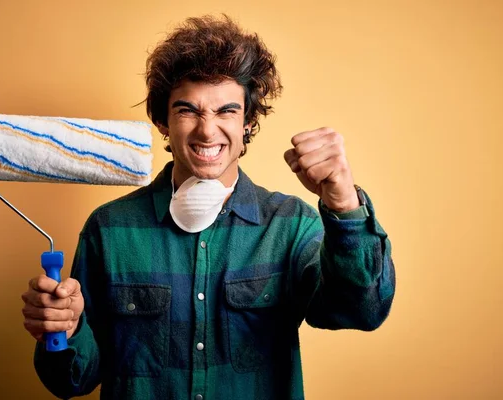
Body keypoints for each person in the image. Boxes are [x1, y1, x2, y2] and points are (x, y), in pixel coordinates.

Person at [21, 14, 395, 400]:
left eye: (226, 111)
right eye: (188, 110)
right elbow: (71, 381)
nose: (207, 130)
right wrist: (65, 329)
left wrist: (343, 202)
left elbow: (362, 311)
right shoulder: (109, 228)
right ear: (163, 121)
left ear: (248, 121)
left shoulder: (291, 226)